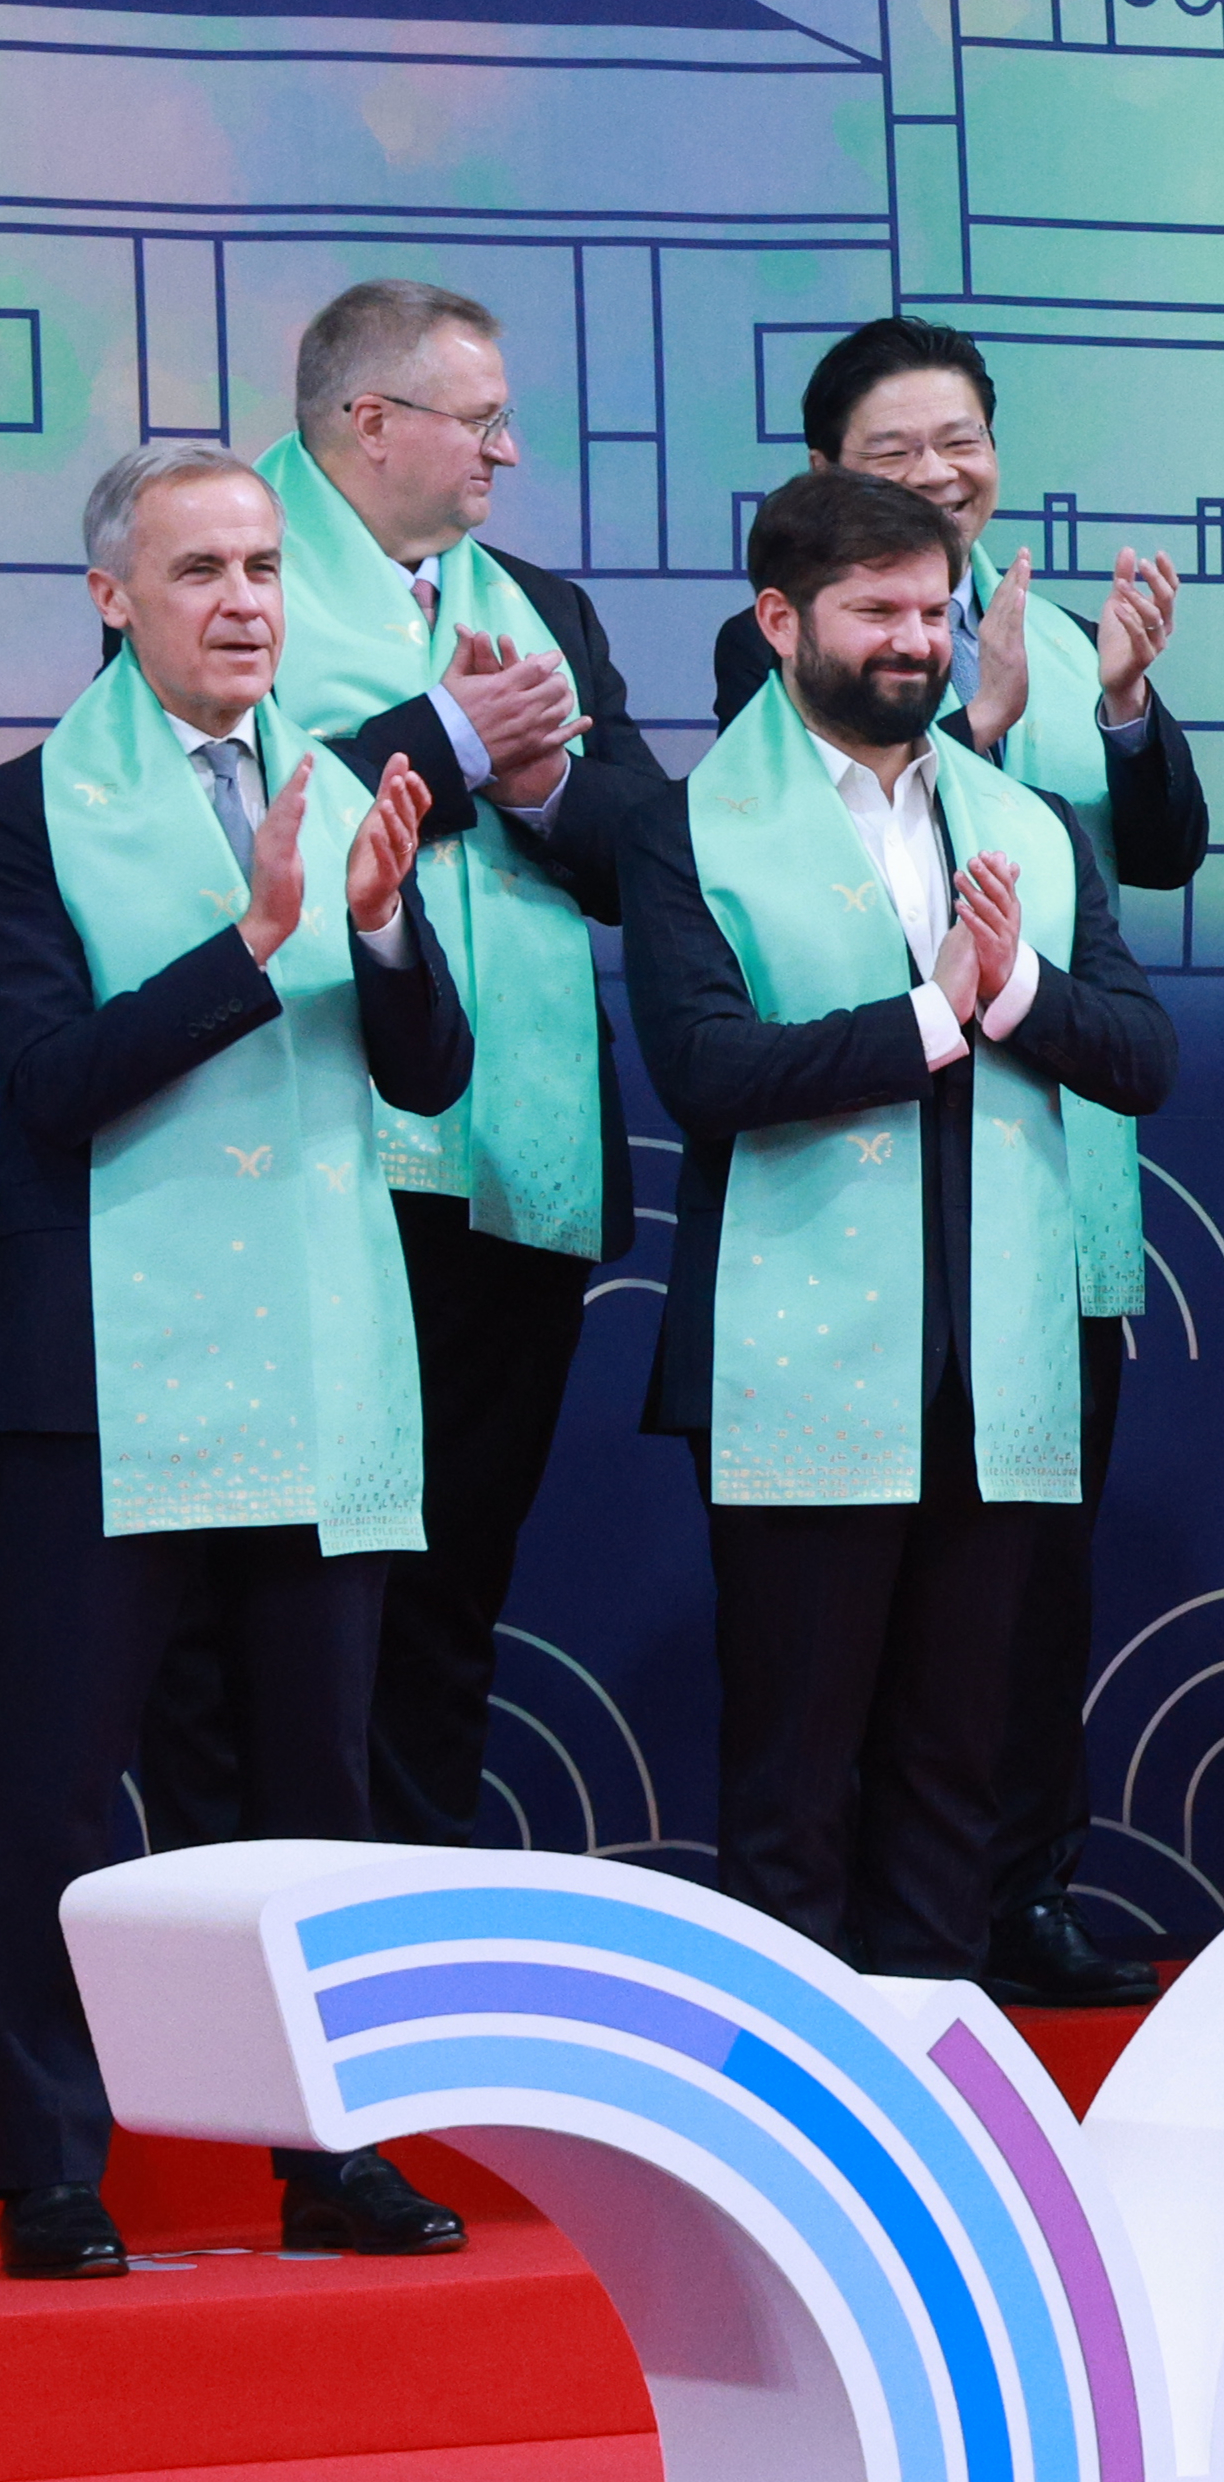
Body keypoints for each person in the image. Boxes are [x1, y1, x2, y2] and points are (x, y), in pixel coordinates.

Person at [0, 446, 467, 2278]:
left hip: (323, 1358)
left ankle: (327, 2152)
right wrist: (254, 943)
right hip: (99, 1379)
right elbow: (43, 1087)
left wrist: (366, 923)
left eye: (265, 565)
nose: (247, 599)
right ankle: (44, 2162)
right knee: (53, 1793)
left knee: (312, 1798)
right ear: (113, 597)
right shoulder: (30, 816)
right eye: (201, 568)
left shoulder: (348, 789)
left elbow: (427, 1075)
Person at [131, 281, 671, 1864]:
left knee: (449, 1579)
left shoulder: (543, 606)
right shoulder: (234, 567)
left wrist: (549, 774)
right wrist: (440, 730)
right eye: (480, 418)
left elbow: (647, 856)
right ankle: (242, 1951)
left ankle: (417, 1940)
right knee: (270, 1580)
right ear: (371, 424)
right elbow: (216, 815)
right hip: (299, 1150)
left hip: (511, 1160)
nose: (507, 449)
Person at [714, 317, 1211, 2007]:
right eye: (895, 450)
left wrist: (1119, 705)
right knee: (837, 1647)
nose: (937, 476)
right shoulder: (780, 655)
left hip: (1045, 1197)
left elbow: (1148, 857)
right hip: (845, 1237)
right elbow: (849, 867)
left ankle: (1015, 1898)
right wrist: (976, 728)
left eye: (959, 443)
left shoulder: (1057, 628)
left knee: (1020, 1599)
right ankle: (832, 1956)